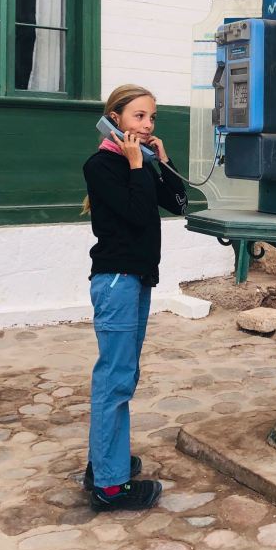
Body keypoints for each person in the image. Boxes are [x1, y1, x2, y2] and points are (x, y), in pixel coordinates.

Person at [81, 84, 188, 511]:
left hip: (136, 280)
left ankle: (103, 464)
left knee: (120, 376)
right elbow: (139, 214)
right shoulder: (101, 165)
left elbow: (178, 202)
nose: (147, 125)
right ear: (115, 119)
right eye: (138, 116)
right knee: (116, 380)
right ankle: (110, 487)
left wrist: (163, 162)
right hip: (117, 281)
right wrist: (137, 165)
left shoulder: (138, 162)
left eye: (152, 118)